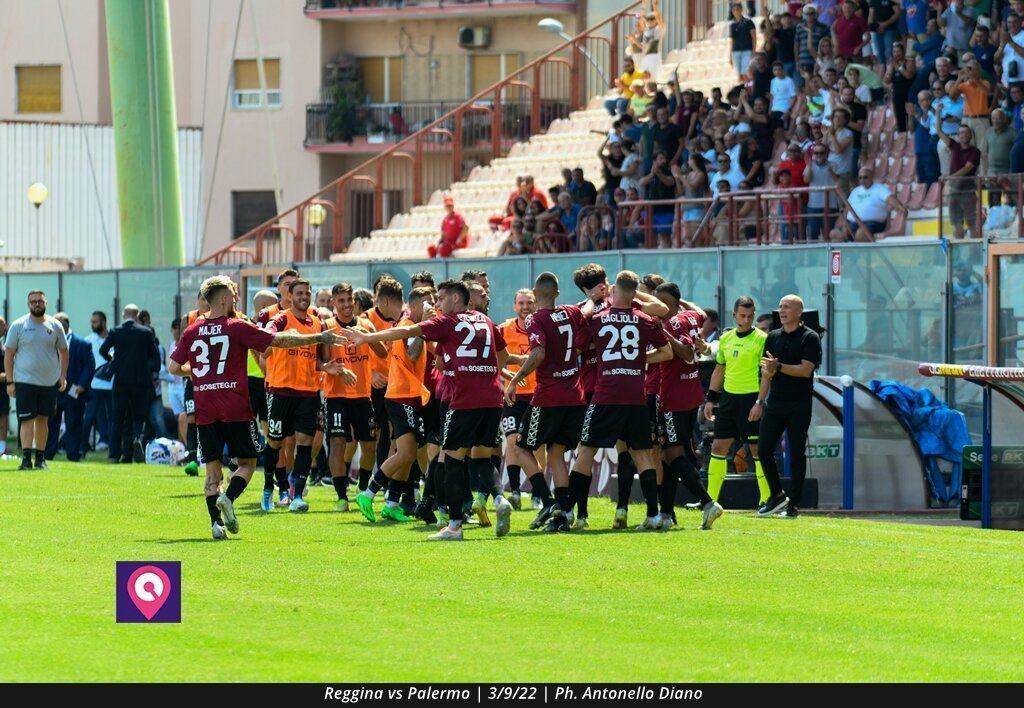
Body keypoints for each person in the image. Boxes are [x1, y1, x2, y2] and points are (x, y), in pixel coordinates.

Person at [169, 275, 345, 540]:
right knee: (248, 463)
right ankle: (228, 498)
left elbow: (173, 367)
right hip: (235, 407)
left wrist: (196, 375)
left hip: (206, 409)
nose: (236, 299)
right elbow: (279, 342)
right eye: (233, 294)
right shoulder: (236, 326)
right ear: (224, 299)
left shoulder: (191, 331)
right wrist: (319, 336)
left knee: (212, 471)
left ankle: (216, 525)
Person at [342, 279, 513, 541]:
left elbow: (404, 332)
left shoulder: (447, 322)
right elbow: (502, 352)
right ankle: (500, 499)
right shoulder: (484, 320)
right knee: (481, 456)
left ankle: (454, 526)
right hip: (492, 398)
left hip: (463, 399)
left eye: (442, 298)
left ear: (456, 299)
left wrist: (368, 337)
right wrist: (489, 373)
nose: (437, 304)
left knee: (452, 459)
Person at [565, 270, 673, 532]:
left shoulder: (599, 319)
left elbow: (578, 346)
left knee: (586, 451)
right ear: (635, 293)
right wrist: (637, 361)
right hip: (635, 397)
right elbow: (667, 352)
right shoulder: (645, 319)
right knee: (642, 454)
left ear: (613, 292)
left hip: (606, 396)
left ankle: (570, 513)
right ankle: (653, 515)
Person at [355, 287, 435, 523]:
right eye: (428, 303)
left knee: (408, 454)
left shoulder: (411, 325)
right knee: (407, 452)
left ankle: (391, 503)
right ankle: (367, 494)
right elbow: (411, 354)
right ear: (416, 305)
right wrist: (423, 332)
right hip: (402, 396)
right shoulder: (411, 326)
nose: (432, 307)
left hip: (408, 395)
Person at [652, 283, 724, 530]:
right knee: (668, 456)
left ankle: (707, 503)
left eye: (658, 302)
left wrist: (664, 332)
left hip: (673, 398)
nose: (655, 307)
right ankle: (667, 514)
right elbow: (701, 313)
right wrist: (684, 304)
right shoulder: (691, 316)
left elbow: (683, 352)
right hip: (689, 394)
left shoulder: (671, 324)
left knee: (673, 454)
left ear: (668, 303)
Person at [259, 278, 327, 513]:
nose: (304, 297)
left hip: (308, 393)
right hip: (281, 391)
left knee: (305, 444)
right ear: (289, 295)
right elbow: (266, 340)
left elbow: (319, 359)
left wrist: (328, 367)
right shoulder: (281, 319)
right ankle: (268, 488)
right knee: (275, 443)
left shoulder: (318, 324)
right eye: (299, 293)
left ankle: (296, 495)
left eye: (307, 293)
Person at [318, 282, 386, 514]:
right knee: (337, 443)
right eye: (341, 301)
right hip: (336, 395)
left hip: (362, 395)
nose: (347, 305)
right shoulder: (327, 327)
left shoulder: (366, 325)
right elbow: (321, 363)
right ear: (334, 303)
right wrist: (332, 368)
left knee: (369, 445)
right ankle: (341, 496)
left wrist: (367, 336)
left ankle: (364, 489)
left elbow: (383, 352)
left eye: (350, 300)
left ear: (354, 302)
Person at [755, 295, 823, 518]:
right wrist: (759, 402)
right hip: (775, 403)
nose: (782, 311)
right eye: (780, 306)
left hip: (799, 405)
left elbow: (805, 370)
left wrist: (779, 367)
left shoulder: (810, 338)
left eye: (787, 307)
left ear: (799, 312)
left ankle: (793, 504)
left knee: (796, 453)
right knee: (764, 449)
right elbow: (767, 372)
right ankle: (776, 496)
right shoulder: (773, 336)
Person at [702, 296, 770, 509]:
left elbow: (767, 374)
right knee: (718, 447)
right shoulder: (726, 338)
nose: (747, 319)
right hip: (729, 400)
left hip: (750, 399)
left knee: (757, 450)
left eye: (750, 316)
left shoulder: (762, 339)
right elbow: (719, 369)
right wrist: (711, 399)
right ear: (734, 315)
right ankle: (709, 501)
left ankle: (767, 500)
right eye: (742, 316)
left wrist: (759, 402)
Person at [4, 291, 68, 470]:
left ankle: (40, 459)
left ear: (45, 302)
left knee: (42, 420)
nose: (36, 304)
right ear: (28, 304)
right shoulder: (18, 325)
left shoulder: (55, 325)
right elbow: (9, 354)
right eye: (33, 302)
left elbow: (64, 351)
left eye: (39, 301)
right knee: (26, 420)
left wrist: (62, 376)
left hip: (49, 382)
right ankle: (26, 459)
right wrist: (10, 381)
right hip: (25, 381)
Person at [100, 303, 160, 464]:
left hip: (120, 381)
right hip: (141, 382)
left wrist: (113, 360)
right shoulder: (146, 333)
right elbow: (155, 359)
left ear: (123, 314)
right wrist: (146, 368)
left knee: (118, 418)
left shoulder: (116, 331)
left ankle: (115, 454)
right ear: (137, 315)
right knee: (137, 416)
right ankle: (136, 438)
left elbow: (103, 350)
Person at [496, 288, 537, 510]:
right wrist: (505, 378)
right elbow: (494, 357)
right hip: (512, 395)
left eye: (529, 302)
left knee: (536, 447)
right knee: (512, 441)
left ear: (536, 304)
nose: (525, 307)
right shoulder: (504, 329)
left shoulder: (541, 326)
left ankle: (538, 493)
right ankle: (516, 492)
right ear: (514, 306)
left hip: (538, 395)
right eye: (521, 303)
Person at [45, 313, 94, 462]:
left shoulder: (82, 343)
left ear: (64, 325)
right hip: (54, 390)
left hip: (74, 390)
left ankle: (73, 454)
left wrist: (81, 385)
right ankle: (48, 454)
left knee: (74, 422)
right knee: (52, 423)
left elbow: (89, 365)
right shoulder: (48, 342)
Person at [936, 123, 981, 238]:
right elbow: (939, 131)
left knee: (972, 226)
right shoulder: (954, 146)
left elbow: (967, 168)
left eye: (966, 132)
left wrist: (949, 177)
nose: (964, 135)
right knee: (957, 226)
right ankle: (959, 254)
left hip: (968, 192)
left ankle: (976, 252)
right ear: (958, 136)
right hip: (954, 193)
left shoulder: (975, 152)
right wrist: (938, 112)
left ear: (971, 135)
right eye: (961, 133)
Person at [838, 166, 908, 240]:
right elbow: (847, 208)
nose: (862, 180)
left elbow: (891, 199)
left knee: (861, 233)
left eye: (865, 177)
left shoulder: (879, 188)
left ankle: (861, 251)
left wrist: (901, 208)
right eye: (860, 178)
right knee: (837, 233)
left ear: (871, 177)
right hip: (855, 223)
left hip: (874, 224)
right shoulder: (855, 191)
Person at [82, 310, 110, 452]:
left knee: (112, 417)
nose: (92, 324)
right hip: (94, 385)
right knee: (90, 416)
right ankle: (82, 447)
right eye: (91, 322)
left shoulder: (113, 337)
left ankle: (109, 443)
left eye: (95, 322)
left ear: (103, 322)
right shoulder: (88, 340)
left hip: (112, 385)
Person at [730, 2, 757, 79]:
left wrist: (753, 51)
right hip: (736, 51)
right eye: (734, 10)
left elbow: (754, 38)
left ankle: (747, 89)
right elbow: (733, 40)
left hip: (747, 50)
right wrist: (730, 56)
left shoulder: (749, 22)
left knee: (745, 73)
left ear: (741, 10)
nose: (736, 12)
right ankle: (742, 89)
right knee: (740, 75)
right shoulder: (732, 25)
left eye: (737, 9)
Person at [0, 317, 8, 456]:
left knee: (3, 417)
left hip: (3, 389)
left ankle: (1, 449)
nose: (4, 327)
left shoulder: (4, 345)